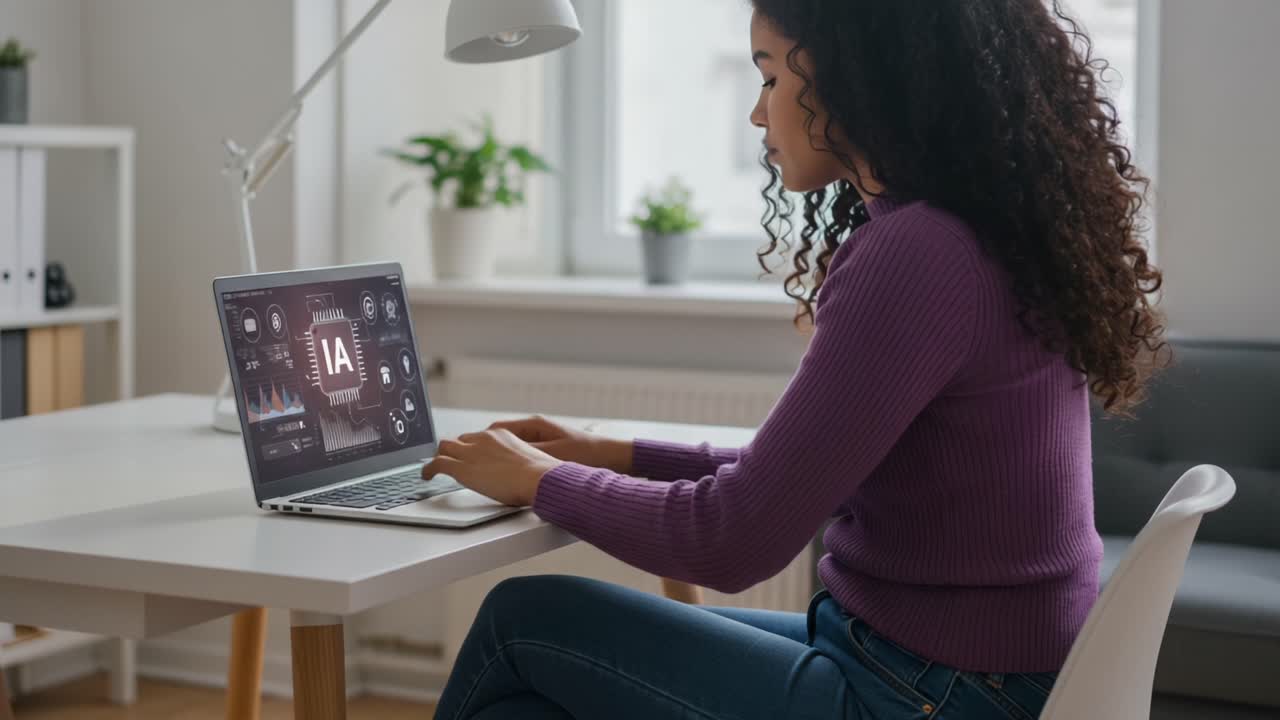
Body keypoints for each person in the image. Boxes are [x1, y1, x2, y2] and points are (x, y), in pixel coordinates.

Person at [426, 1, 1166, 717]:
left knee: (521, 619)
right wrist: (610, 453)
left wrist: (540, 479)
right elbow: (789, 478)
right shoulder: (976, 234)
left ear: (853, 73)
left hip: (928, 692)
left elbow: (734, 539)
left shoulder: (917, 256)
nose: (758, 113)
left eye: (771, 76)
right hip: (967, 677)